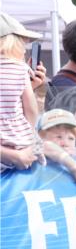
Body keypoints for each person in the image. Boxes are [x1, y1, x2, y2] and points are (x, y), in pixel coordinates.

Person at [0, 12, 42, 169]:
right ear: (11, 43)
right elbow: (31, 110)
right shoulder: (20, 69)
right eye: (23, 44)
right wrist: (30, 138)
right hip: (19, 145)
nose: (25, 51)